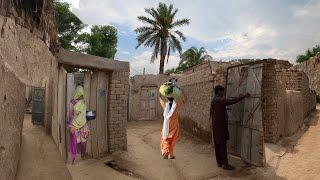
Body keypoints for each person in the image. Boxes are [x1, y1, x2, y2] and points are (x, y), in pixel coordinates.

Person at [210, 85, 250, 170]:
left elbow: (211, 112)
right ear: (219, 91)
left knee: (218, 144)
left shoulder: (214, 100)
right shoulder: (218, 100)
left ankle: (219, 162)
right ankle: (225, 164)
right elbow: (231, 101)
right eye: (222, 91)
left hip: (216, 125)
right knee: (222, 145)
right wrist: (243, 96)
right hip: (220, 126)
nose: (224, 93)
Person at [159, 90, 187, 159]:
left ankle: (166, 151)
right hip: (175, 124)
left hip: (167, 124)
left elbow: (160, 100)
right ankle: (170, 155)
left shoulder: (165, 105)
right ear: (173, 98)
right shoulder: (176, 105)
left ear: (168, 99)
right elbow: (185, 100)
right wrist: (182, 92)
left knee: (165, 138)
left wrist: (160, 93)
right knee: (173, 139)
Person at [68, 86, 89, 164]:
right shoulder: (73, 102)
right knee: (74, 142)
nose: (81, 95)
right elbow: (70, 115)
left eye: (81, 93)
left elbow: (83, 113)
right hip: (76, 126)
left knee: (83, 141)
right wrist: (71, 126)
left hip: (82, 125)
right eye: (80, 93)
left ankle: (82, 155)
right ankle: (73, 158)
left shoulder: (83, 102)